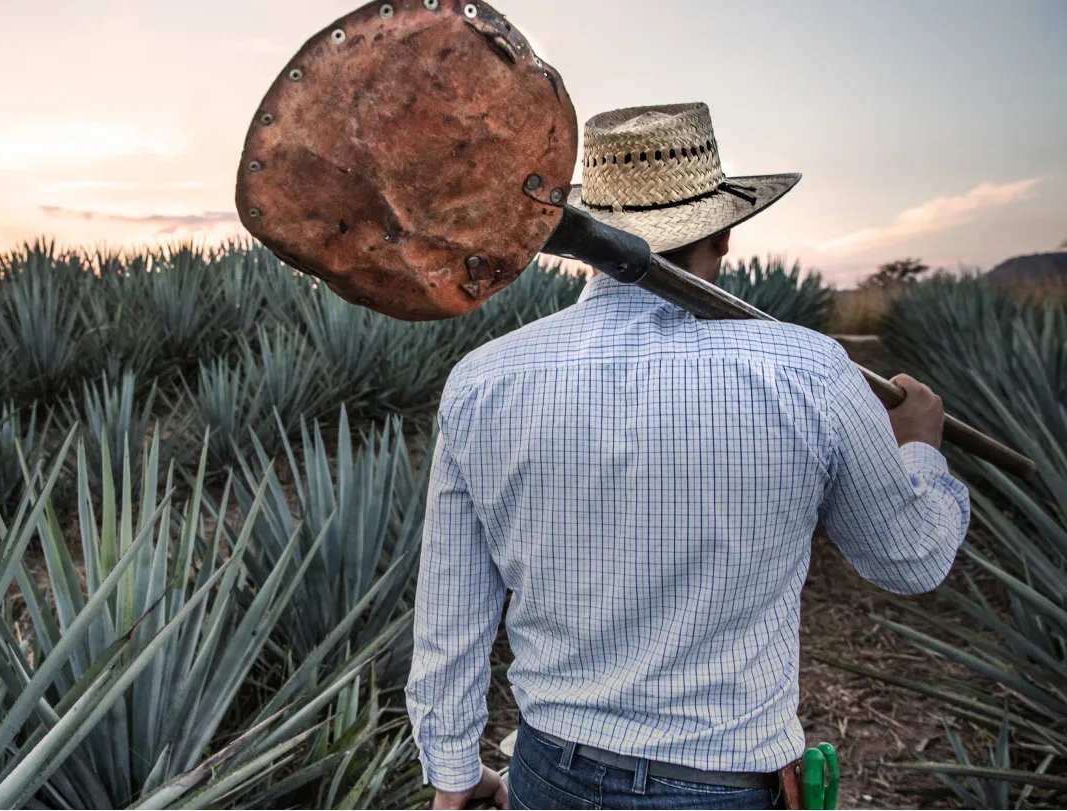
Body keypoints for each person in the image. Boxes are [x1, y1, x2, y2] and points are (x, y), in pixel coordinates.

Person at [404, 102, 969, 810]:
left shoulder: (485, 379)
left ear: (587, 242)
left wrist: (452, 770)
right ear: (726, 231)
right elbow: (910, 559)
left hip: (549, 770)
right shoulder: (813, 372)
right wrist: (919, 447)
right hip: (719, 785)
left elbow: (451, 610)